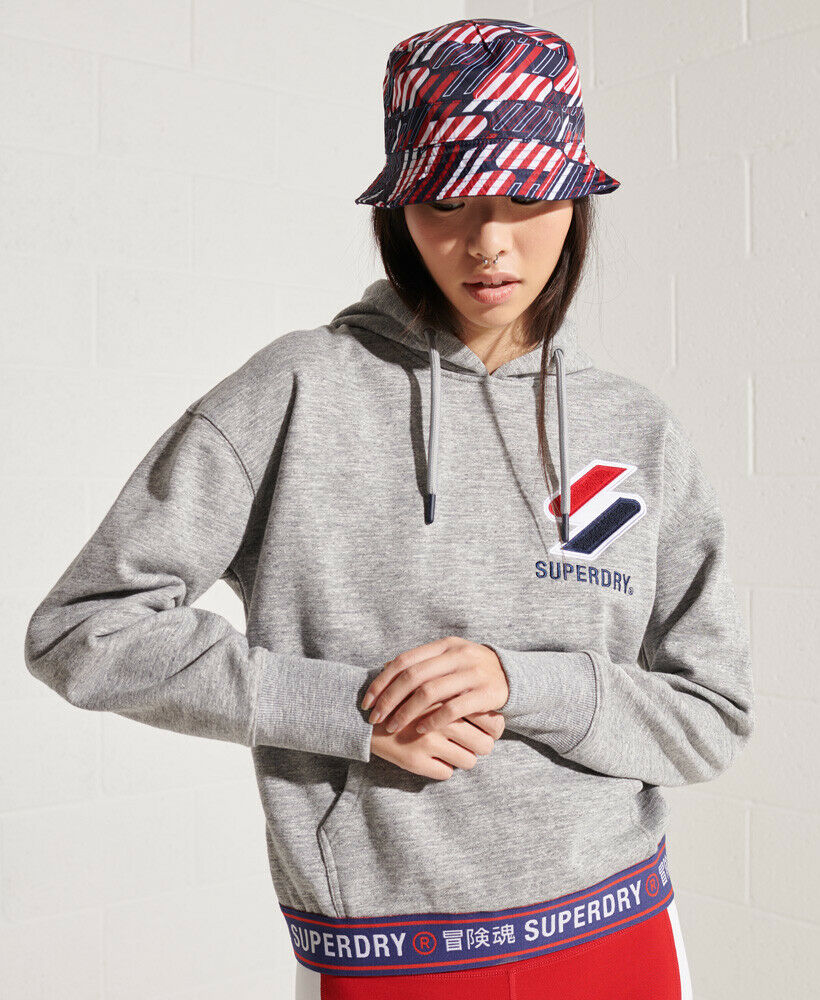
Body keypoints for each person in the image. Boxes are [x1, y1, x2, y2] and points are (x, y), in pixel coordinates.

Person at [24, 18, 753, 1000]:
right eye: (447, 202)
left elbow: (712, 716)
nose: (488, 242)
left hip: (620, 933)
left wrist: (522, 682)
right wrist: (350, 713)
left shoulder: (635, 430)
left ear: (576, 201)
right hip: (389, 956)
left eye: (527, 196)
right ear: (400, 208)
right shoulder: (299, 391)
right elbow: (84, 629)